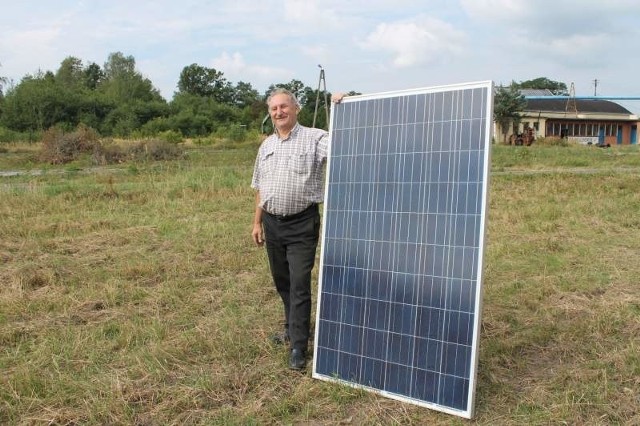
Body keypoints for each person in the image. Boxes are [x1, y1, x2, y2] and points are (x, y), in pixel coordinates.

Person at [251, 88, 342, 370]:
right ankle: (292, 328)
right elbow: (260, 187)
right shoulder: (266, 146)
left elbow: (346, 145)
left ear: (296, 108)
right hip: (272, 224)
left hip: (302, 223)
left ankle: (299, 347)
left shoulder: (316, 138)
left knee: (300, 283)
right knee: (283, 282)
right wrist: (257, 221)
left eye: (284, 107)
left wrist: (344, 108)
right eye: (274, 109)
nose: (279, 112)